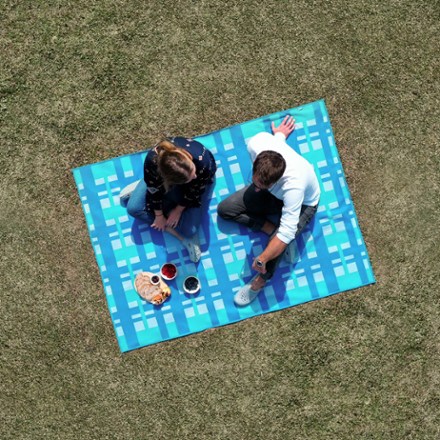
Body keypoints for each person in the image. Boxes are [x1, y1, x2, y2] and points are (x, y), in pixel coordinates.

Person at [217, 116, 320, 306]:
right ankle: (269, 228)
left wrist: (262, 258)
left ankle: (260, 281)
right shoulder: (257, 144)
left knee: (281, 241)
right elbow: (274, 146)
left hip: (303, 204)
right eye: (254, 181)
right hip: (273, 195)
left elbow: (287, 230)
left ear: (277, 179)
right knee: (226, 209)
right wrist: (279, 135)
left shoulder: (294, 186)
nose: (255, 187)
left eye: (261, 184)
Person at [123, 136, 217, 262]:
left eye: (193, 171)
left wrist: (178, 210)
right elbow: (155, 192)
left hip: (196, 186)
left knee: (190, 230)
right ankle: (181, 238)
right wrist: (159, 216)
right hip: (160, 182)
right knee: (133, 209)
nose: (194, 175)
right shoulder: (152, 160)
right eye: (191, 176)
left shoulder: (202, 163)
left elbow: (194, 192)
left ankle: (144, 187)